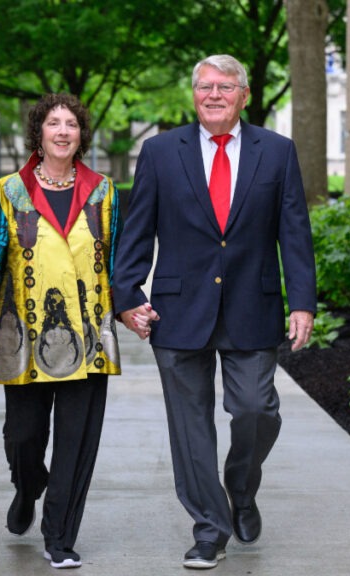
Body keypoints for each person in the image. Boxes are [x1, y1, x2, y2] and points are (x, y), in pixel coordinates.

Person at [111, 54, 316, 570]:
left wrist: (303, 303)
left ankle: (241, 490)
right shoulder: (159, 151)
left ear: (244, 95)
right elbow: (137, 229)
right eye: (206, 86)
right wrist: (127, 296)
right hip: (178, 312)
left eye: (226, 87)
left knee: (255, 411)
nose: (215, 95)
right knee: (190, 428)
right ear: (194, 94)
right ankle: (209, 528)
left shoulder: (277, 151)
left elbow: (294, 232)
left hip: (254, 305)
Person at [0, 93, 122, 570]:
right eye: (53, 123)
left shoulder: (104, 191)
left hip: (88, 336)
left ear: (81, 135)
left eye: (71, 124)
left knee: (77, 442)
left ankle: (60, 536)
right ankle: (27, 484)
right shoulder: (8, 191)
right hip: (23, 337)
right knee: (24, 435)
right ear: (38, 133)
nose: (62, 131)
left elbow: (117, 262)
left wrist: (131, 309)